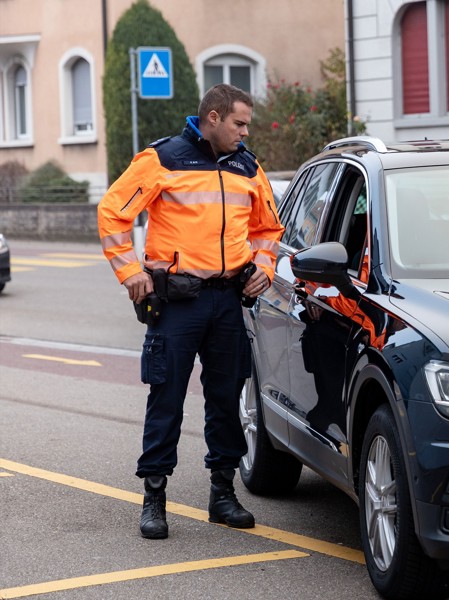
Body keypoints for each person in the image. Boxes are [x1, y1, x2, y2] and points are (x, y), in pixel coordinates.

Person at [97, 83, 284, 539]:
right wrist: (130, 273)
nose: (245, 132)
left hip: (227, 300)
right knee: (167, 399)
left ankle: (222, 495)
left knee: (226, 400)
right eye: (239, 123)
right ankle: (155, 498)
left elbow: (268, 227)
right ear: (214, 117)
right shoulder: (163, 158)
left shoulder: (246, 165)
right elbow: (112, 212)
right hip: (177, 303)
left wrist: (264, 264)